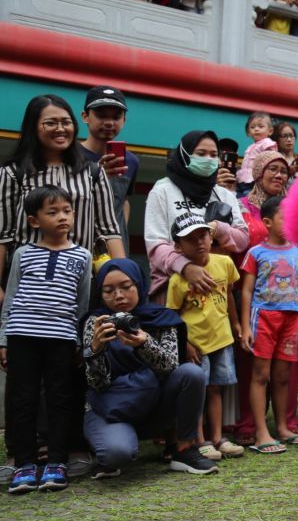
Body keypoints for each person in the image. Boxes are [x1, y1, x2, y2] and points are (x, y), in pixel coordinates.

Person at [81, 259, 217, 477]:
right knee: (116, 454)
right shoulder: (97, 322)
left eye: (126, 287)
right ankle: (111, 441)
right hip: (111, 407)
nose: (118, 296)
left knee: (191, 373)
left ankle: (183, 450)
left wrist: (145, 345)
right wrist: (95, 350)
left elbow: (171, 366)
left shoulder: (161, 318)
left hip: (153, 403)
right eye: (109, 290)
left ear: (139, 284)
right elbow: (96, 383)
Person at [0, 187, 92, 493]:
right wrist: (3, 339)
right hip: (22, 335)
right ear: (34, 220)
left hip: (61, 339)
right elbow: (11, 298)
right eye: (52, 212)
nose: (62, 217)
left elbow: (81, 304)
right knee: (22, 400)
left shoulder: (82, 256)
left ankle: (56, 461)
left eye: (66, 210)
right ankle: (24, 464)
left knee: (59, 399)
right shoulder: (23, 254)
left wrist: (78, 342)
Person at [0, 95, 125, 292]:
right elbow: (3, 235)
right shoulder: (14, 172)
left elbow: (108, 230)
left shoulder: (93, 172)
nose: (60, 128)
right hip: (27, 282)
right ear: (33, 127)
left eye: (66, 122)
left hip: (79, 281)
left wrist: (124, 277)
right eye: (50, 123)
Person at [239, 196, 298, 454]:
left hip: (291, 318)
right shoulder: (256, 253)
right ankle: (261, 432)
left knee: (282, 376)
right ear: (268, 222)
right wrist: (245, 327)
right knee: (260, 375)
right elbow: (247, 291)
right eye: (285, 216)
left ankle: (283, 427)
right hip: (264, 318)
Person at [165, 215, 243, 461]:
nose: (199, 243)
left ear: (211, 237)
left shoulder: (225, 263)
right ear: (178, 246)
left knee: (216, 389)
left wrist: (236, 323)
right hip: (196, 345)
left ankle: (218, 437)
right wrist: (185, 344)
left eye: (203, 236)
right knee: (198, 391)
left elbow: (229, 294)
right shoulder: (178, 280)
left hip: (222, 339)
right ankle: (200, 440)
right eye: (190, 239)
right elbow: (172, 316)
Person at [143, 130, 248, 300]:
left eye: (214, 155)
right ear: (185, 155)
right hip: (172, 289)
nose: (208, 159)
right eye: (201, 153)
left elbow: (242, 240)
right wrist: (186, 267)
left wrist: (217, 229)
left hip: (218, 290)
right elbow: (155, 245)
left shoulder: (225, 194)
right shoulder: (163, 191)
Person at [80, 86, 140, 256]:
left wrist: (120, 230)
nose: (109, 122)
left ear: (124, 120)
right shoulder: (70, 156)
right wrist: (98, 176)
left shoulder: (131, 161)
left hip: (115, 249)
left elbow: (124, 201)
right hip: (78, 244)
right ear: (85, 117)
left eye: (116, 117)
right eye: (101, 115)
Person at [237, 111, 277, 195]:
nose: (256, 129)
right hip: (244, 179)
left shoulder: (267, 143)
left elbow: (271, 159)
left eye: (261, 126)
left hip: (255, 180)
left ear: (270, 131)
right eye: (252, 127)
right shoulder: (251, 146)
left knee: (248, 199)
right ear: (248, 132)